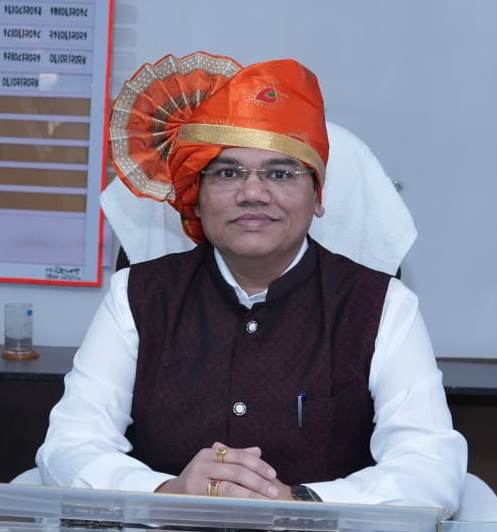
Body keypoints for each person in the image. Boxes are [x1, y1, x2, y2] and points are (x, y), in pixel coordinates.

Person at [36, 51, 467, 509]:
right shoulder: (138, 296)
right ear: (197, 197)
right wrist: (168, 493)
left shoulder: (382, 306)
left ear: (318, 196)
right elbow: (70, 445)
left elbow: (429, 467)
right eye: (228, 172)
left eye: (280, 173)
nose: (253, 193)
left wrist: (298, 504)